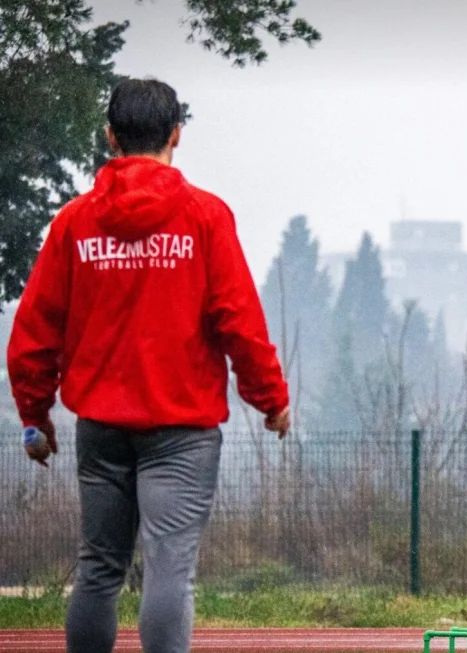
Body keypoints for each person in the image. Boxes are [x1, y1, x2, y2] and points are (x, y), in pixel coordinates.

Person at [6, 78, 290, 653]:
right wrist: (271, 400)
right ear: (176, 134)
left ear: (110, 136)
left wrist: (35, 418)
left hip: (101, 430)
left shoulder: (74, 224)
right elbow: (239, 321)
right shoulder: (206, 218)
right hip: (182, 433)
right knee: (169, 571)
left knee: (98, 568)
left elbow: (34, 335)